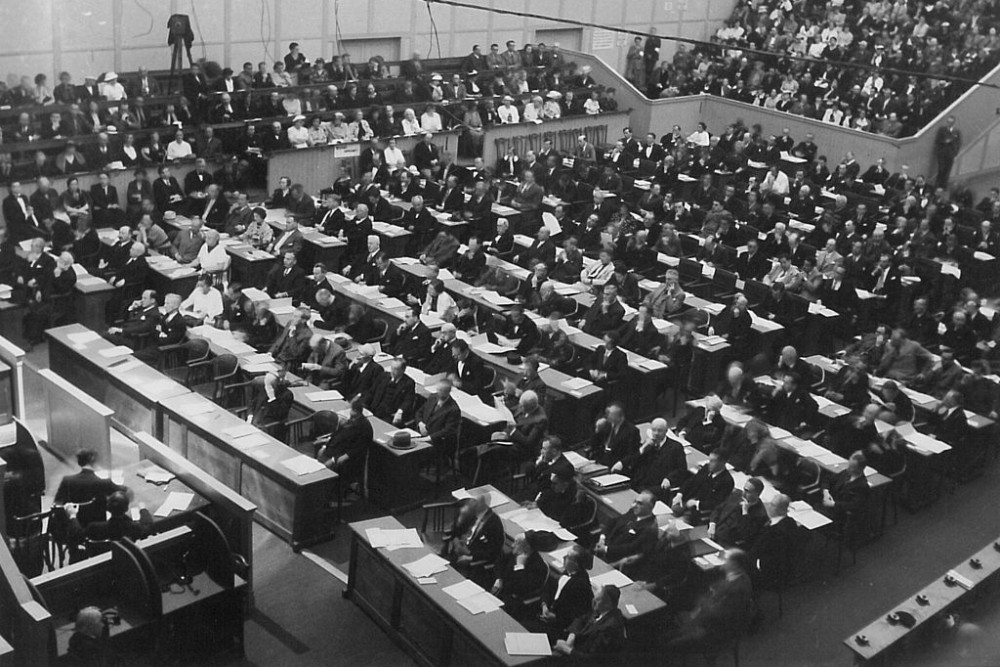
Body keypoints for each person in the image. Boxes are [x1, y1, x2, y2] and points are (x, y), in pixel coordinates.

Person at [668, 549, 754, 655]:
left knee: (668, 644)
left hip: (715, 629)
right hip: (709, 619)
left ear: (735, 565)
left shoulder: (738, 587)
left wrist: (694, 617)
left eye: (726, 560)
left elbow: (719, 613)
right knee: (672, 632)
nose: (723, 561)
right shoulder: (736, 577)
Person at [616, 418, 687, 498]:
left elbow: (682, 469)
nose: (656, 433)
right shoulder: (648, 444)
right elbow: (635, 460)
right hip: (640, 481)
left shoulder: (676, 447)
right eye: (654, 430)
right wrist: (643, 449)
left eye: (659, 431)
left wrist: (669, 479)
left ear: (666, 431)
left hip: (657, 484)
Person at [553, 584, 627, 659]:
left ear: (607, 604)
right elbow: (581, 619)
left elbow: (592, 659)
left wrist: (566, 649)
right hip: (575, 645)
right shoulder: (601, 610)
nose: (593, 601)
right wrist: (571, 637)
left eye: (598, 599)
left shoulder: (609, 629)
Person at [595, 490, 658, 576]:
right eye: (634, 501)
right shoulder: (632, 512)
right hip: (602, 549)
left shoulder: (649, 528)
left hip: (618, 562)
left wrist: (606, 549)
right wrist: (602, 538)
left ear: (650, 507)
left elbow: (630, 548)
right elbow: (613, 522)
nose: (634, 505)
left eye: (639, 503)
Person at [54, 449, 123, 527]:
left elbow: (58, 502)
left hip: (72, 529)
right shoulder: (103, 483)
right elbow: (124, 494)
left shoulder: (67, 480)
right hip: (96, 531)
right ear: (92, 459)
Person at [448, 494, 505, 586]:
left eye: (476, 503)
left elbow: (494, 551)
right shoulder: (469, 512)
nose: (472, 504)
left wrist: (471, 558)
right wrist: (456, 542)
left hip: (474, 562)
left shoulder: (494, 523)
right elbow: (455, 531)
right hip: (458, 551)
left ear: (484, 505)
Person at [492, 532, 549, 618]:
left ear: (527, 547)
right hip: (500, 592)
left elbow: (522, 588)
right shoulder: (516, 553)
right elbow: (499, 563)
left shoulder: (539, 567)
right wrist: (499, 578)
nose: (512, 545)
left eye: (516, 543)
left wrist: (520, 566)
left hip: (515, 602)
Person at [317, 398, 373, 485]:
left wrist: (333, 460)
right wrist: (324, 447)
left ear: (357, 411)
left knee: (324, 470)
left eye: (351, 410)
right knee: (318, 455)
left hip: (345, 459)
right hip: (333, 451)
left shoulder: (364, 427)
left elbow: (356, 448)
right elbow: (336, 435)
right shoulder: (349, 421)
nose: (349, 413)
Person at [540, 546, 593, 636]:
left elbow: (576, 613)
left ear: (576, 563)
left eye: (568, 557)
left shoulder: (581, 585)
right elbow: (547, 589)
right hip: (545, 613)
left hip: (559, 626)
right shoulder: (566, 572)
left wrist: (555, 617)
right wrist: (544, 605)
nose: (564, 558)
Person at [673, 450, 735, 524]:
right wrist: (680, 494)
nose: (709, 463)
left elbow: (717, 503)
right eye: (709, 460)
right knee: (671, 512)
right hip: (687, 500)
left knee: (676, 524)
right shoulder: (706, 468)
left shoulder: (727, 481)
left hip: (699, 511)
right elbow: (691, 481)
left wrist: (696, 503)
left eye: (713, 461)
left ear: (722, 462)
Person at [708, 477, 768, 550]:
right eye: (744, 489)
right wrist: (712, 525)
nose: (743, 493)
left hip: (730, 544)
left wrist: (745, 512)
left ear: (757, 494)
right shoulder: (736, 495)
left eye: (747, 491)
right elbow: (718, 509)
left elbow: (746, 534)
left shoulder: (761, 514)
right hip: (713, 531)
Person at [417, 378, 461, 452]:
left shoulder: (453, 409)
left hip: (437, 443)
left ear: (448, 392)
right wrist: (420, 424)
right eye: (438, 389)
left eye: (441, 391)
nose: (438, 392)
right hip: (421, 434)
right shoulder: (432, 397)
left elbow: (447, 430)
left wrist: (428, 438)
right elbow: (419, 412)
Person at [369, 358, 416, 426]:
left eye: (396, 369)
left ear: (403, 370)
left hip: (390, 414)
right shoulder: (383, 376)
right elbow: (371, 392)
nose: (392, 371)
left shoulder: (408, 383)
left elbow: (408, 401)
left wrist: (400, 411)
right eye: (392, 368)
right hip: (375, 409)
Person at [251, 372, 294, 440]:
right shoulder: (264, 390)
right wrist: (250, 415)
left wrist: (272, 398)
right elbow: (255, 405)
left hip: (273, 424)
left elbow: (280, 414)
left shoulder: (287, 395)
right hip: (259, 419)